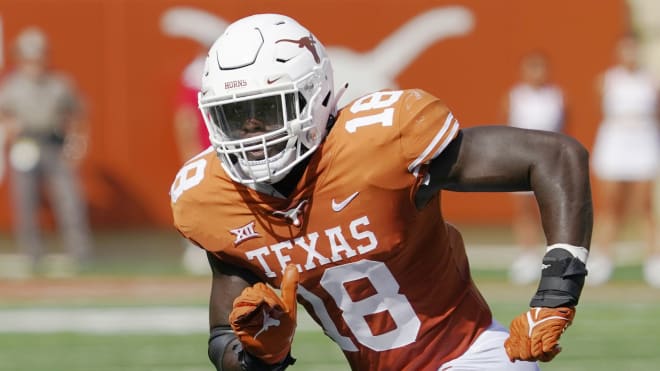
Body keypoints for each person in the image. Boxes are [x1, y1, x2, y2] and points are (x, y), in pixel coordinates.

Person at [170, 14, 592, 370]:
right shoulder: (216, 200)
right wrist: (260, 354)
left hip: (471, 357)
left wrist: (557, 292)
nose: (251, 132)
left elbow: (555, 156)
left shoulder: (382, 144)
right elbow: (224, 335)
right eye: (234, 115)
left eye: (265, 110)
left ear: (311, 96)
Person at [0, 27, 92, 277]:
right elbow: (4, 115)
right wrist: (9, 128)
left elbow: (79, 114)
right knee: (25, 202)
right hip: (25, 146)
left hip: (54, 144)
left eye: (38, 56)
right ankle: (33, 255)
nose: (34, 63)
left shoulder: (60, 84)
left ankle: (80, 253)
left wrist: (78, 143)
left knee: (69, 200)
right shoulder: (11, 86)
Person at [590, 33, 660, 287]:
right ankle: (603, 259)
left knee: (645, 206)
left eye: (634, 50)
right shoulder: (607, 81)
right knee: (610, 205)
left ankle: (653, 261)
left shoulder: (651, 81)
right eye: (625, 50)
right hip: (615, 143)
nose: (630, 55)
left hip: (644, 142)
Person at [503, 52, 566, 285]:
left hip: (547, 159)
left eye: (541, 68)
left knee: (550, 209)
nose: (537, 73)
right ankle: (527, 255)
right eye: (532, 68)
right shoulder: (514, 96)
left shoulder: (557, 96)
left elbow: (564, 128)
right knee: (524, 210)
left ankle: (553, 255)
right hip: (521, 157)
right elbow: (507, 128)